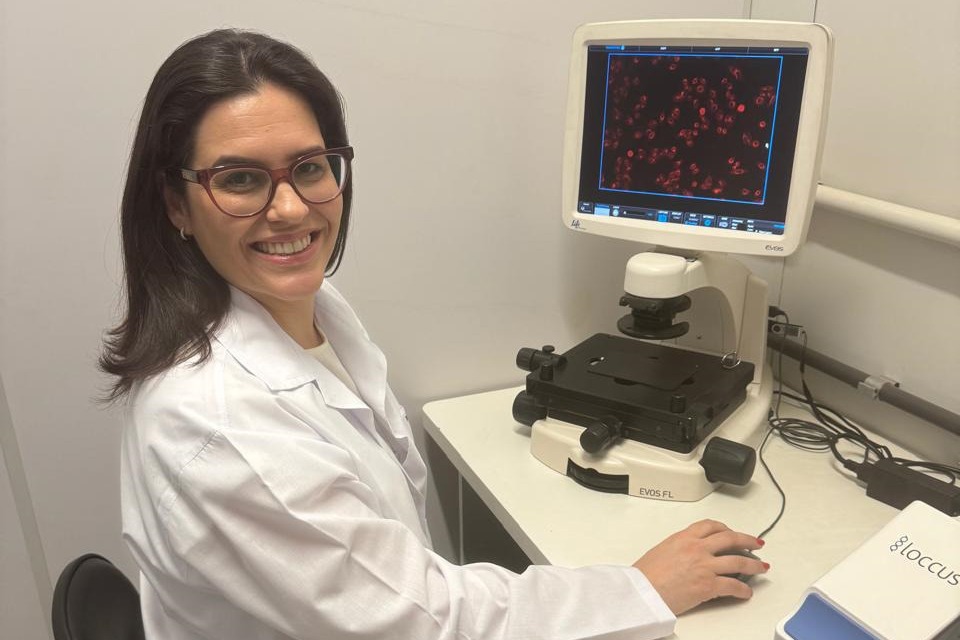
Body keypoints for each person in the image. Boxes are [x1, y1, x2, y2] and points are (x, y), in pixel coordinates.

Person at [101, 28, 768, 640]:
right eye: (240, 179)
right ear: (174, 203)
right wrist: (641, 589)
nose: (290, 208)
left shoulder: (312, 307)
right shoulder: (216, 425)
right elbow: (421, 621)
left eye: (310, 167)